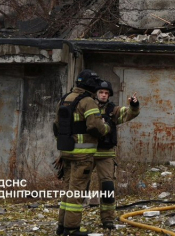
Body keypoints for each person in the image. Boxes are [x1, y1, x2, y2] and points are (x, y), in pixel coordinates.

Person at [54, 70, 110, 236]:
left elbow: (56, 126)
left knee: (67, 190)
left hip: (66, 152)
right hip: (82, 155)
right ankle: (72, 229)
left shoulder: (65, 99)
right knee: (76, 192)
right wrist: (106, 127)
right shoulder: (87, 102)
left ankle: (62, 227)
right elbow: (95, 126)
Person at [92, 80, 140, 230]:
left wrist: (134, 104)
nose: (104, 95)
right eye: (101, 92)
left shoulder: (113, 110)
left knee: (107, 186)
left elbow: (129, 113)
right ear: (96, 93)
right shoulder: (87, 107)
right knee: (80, 186)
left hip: (105, 153)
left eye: (106, 93)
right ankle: (73, 221)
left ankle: (107, 219)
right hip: (86, 153)